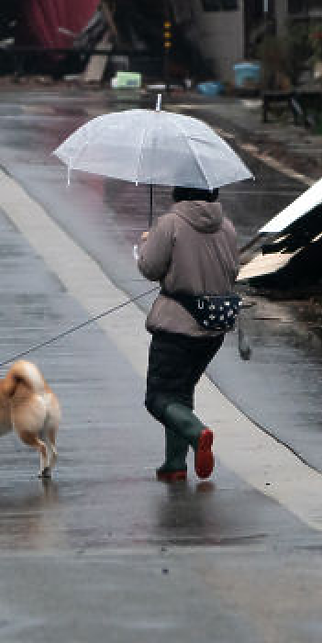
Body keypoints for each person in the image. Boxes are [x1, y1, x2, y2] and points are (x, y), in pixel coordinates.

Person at [135, 184, 239, 481]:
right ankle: (175, 465)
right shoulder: (227, 227)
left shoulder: (170, 223)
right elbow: (233, 273)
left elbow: (150, 268)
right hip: (213, 329)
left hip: (176, 325)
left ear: (179, 190)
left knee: (158, 398)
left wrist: (146, 244)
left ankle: (197, 434)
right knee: (180, 393)